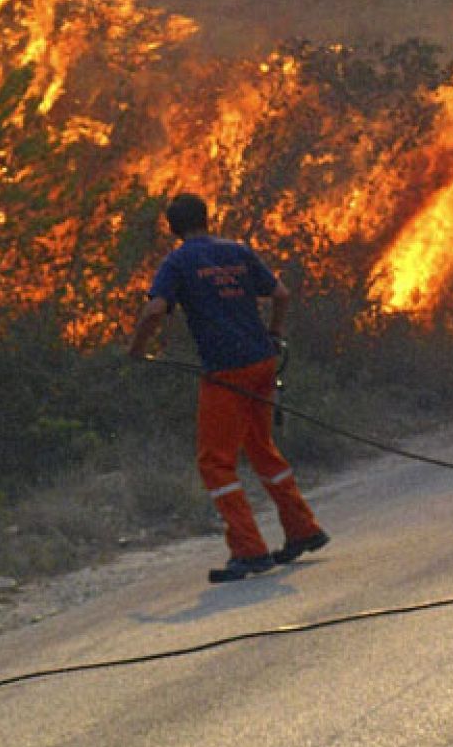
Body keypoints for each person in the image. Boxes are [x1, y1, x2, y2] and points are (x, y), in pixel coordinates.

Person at [128, 192, 329, 583]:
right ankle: (303, 529)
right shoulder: (238, 251)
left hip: (226, 372)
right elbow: (281, 294)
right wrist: (274, 330)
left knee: (215, 462)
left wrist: (136, 349)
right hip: (262, 362)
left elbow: (154, 310)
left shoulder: (178, 261)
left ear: (172, 228)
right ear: (208, 218)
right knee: (261, 448)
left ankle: (249, 551)